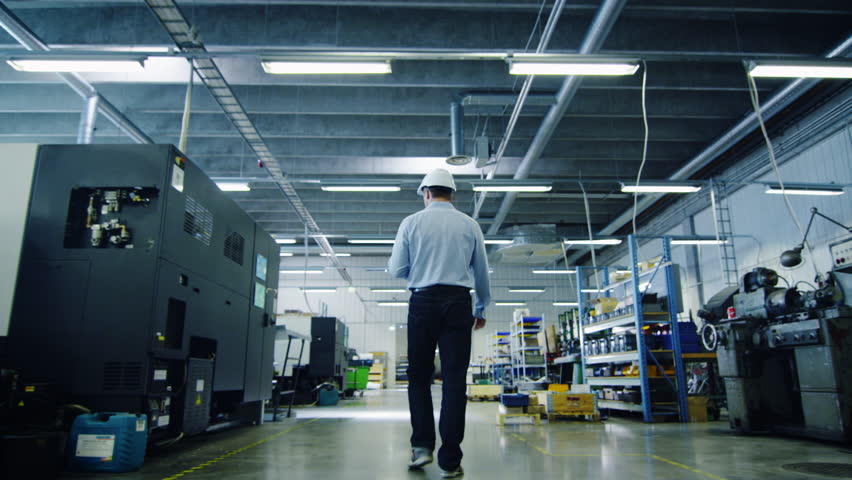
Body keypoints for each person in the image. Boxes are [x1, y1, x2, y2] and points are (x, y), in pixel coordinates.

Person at [388, 168, 491, 478]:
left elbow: (397, 269)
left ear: (426, 193)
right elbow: (481, 270)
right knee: (455, 380)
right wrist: (482, 307)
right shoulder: (469, 224)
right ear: (453, 195)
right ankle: (450, 460)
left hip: (422, 302)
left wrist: (419, 272)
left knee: (419, 377)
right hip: (459, 304)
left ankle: (421, 449)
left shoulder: (411, 223)